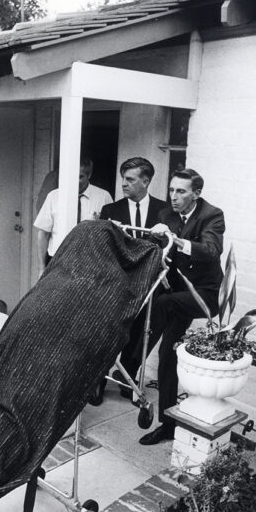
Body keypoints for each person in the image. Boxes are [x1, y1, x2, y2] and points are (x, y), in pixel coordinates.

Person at [139, 168, 225, 445]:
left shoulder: (212, 215)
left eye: (181, 192)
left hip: (205, 296)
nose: (173, 197)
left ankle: (130, 359)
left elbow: (211, 251)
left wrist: (175, 240)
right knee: (167, 355)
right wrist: (155, 237)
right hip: (178, 297)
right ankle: (167, 425)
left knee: (159, 304)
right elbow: (158, 249)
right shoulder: (167, 214)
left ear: (196, 194)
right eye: (171, 190)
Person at [100, 157, 165, 396]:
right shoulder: (110, 211)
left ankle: (127, 373)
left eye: (130, 179)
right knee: (109, 332)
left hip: (150, 285)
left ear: (146, 181)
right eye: (123, 179)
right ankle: (97, 382)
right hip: (118, 283)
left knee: (143, 333)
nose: (123, 184)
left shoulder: (164, 211)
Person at [33, 155, 112, 276]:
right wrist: (41, 268)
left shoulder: (103, 196)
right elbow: (43, 233)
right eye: (72, 176)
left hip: (90, 262)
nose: (75, 181)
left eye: (80, 177)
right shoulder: (54, 196)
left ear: (89, 175)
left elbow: (111, 234)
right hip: (57, 259)